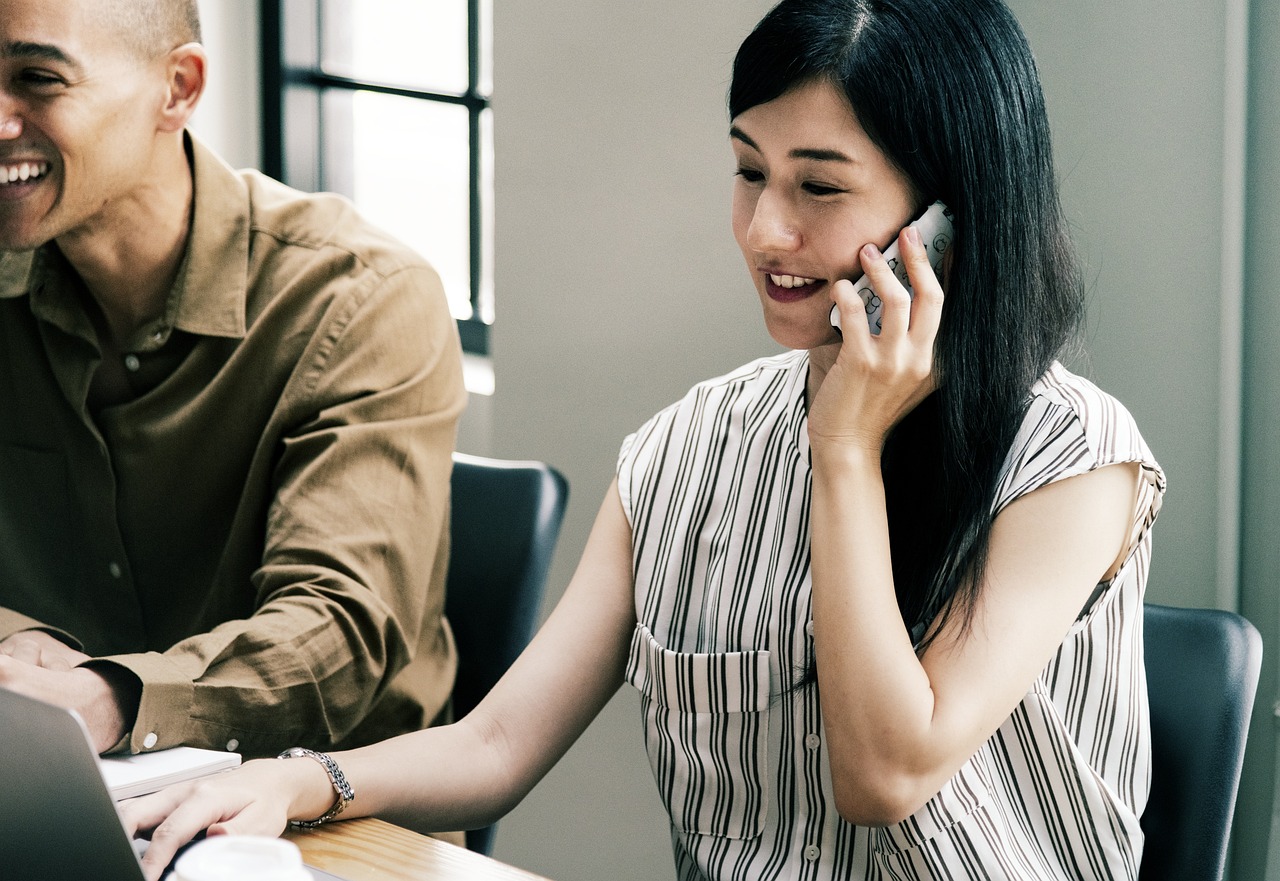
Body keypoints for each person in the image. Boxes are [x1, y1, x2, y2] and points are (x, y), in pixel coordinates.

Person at [124, 0, 1165, 878]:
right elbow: (498, 742)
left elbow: (882, 774)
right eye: (748, 171)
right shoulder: (684, 451)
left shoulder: (1070, 460)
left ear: (945, 223)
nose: (764, 230)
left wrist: (843, 450)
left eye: (819, 186)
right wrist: (302, 777)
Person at [0, 0, 465, 760]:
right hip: (48, 784)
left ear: (178, 87)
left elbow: (335, 632)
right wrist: (25, 650)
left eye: (39, 79)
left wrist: (112, 696)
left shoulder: (360, 300)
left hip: (324, 819)